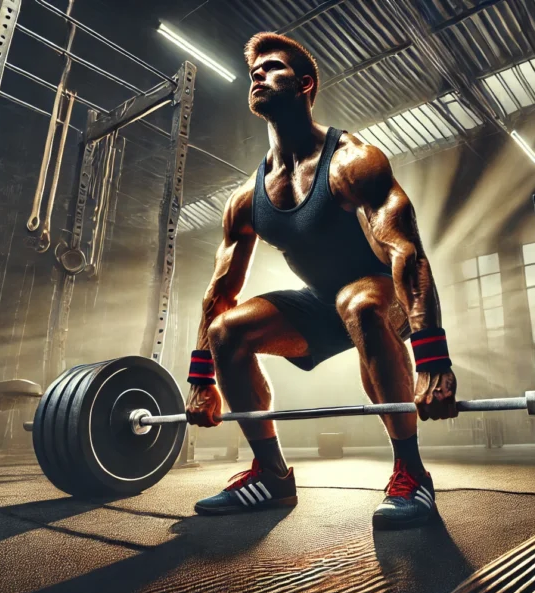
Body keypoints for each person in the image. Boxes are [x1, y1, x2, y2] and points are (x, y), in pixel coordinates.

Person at [185, 32, 457, 529]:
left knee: (359, 304)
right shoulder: (246, 198)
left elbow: (405, 252)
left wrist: (432, 356)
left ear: (305, 85)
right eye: (254, 72)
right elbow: (220, 292)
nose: (258, 76)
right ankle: (270, 475)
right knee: (228, 331)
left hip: (377, 292)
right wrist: (201, 379)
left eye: (271, 68)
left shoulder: (354, 160)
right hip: (317, 304)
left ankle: (411, 474)